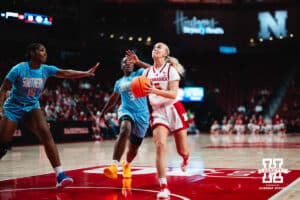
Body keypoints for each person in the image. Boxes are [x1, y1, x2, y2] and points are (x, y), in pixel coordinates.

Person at [0, 43, 99, 189]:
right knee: (3, 145)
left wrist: (85, 73)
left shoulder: (46, 70)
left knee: (46, 134)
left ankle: (60, 175)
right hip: (13, 107)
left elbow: (66, 73)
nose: (45, 53)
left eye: (45, 51)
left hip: (32, 107)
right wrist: (0, 110)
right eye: (41, 50)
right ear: (32, 53)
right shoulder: (19, 69)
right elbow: (3, 89)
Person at [126, 42, 190, 199]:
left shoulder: (171, 70)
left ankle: (185, 158)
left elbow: (173, 94)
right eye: (154, 47)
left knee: (182, 150)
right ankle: (164, 187)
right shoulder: (146, 73)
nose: (156, 48)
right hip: (158, 112)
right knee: (160, 145)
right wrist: (136, 93)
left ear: (165, 54)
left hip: (174, 108)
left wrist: (153, 90)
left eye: (159, 47)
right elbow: (141, 88)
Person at [100, 56, 149, 180]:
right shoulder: (119, 82)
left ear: (133, 65)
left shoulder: (140, 73)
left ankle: (127, 164)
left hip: (142, 115)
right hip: (126, 110)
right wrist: (103, 113)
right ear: (121, 66)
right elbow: (113, 99)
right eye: (124, 62)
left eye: (130, 62)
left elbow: (154, 70)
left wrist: (139, 62)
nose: (127, 64)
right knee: (124, 129)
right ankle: (114, 166)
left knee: (133, 150)